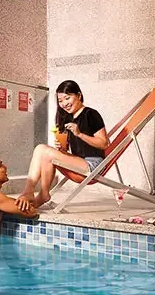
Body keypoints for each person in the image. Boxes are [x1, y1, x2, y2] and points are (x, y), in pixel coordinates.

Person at [21, 80, 109, 208]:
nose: (64, 104)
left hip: (93, 164)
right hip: (78, 161)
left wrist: (79, 134)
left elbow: (104, 144)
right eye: (60, 101)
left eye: (67, 98)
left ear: (78, 95)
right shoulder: (67, 118)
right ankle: (29, 192)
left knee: (45, 151)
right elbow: (68, 150)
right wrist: (61, 148)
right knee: (41, 148)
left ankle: (43, 194)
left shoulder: (91, 114)